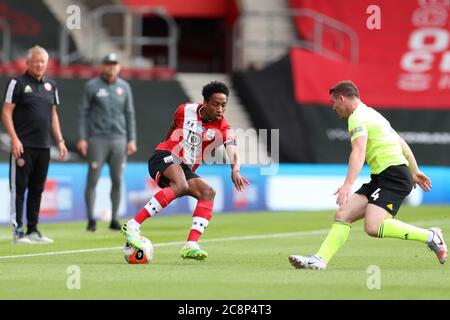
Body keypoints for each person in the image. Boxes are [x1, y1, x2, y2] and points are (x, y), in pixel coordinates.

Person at [289, 80, 448, 269]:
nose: (333, 107)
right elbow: (400, 142)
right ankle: (320, 259)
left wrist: (348, 184)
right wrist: (414, 169)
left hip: (393, 176)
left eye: (334, 102)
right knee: (344, 213)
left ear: (341, 98)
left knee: (373, 226)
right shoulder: (372, 114)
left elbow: (359, 151)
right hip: (385, 176)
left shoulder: (357, 117)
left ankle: (431, 236)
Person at [121, 81, 249, 260]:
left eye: (224, 105)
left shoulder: (223, 128)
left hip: (184, 167)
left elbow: (233, 152)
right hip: (165, 155)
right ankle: (133, 225)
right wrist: (167, 148)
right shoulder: (184, 110)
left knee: (208, 192)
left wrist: (235, 169)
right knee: (180, 185)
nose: (220, 109)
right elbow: (173, 128)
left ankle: (191, 245)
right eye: (216, 104)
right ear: (205, 102)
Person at [1, 45, 67, 244]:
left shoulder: (51, 86)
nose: (39, 65)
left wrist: (60, 141)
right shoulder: (17, 83)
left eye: (42, 62)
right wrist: (14, 139)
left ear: (47, 64)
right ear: (27, 63)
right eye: (35, 61)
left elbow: (53, 115)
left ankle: (33, 229)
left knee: (37, 189)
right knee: (18, 188)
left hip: (43, 146)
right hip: (23, 146)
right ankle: (17, 231)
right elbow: (6, 112)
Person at [77, 53, 137, 232]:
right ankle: (91, 219)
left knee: (117, 179)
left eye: (114, 64)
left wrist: (132, 138)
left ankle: (114, 218)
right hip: (98, 139)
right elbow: (83, 113)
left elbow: (129, 114)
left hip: (119, 139)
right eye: (108, 64)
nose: (111, 67)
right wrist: (82, 137)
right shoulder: (92, 86)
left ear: (119, 67)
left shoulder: (124, 87)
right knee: (93, 178)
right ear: (103, 66)